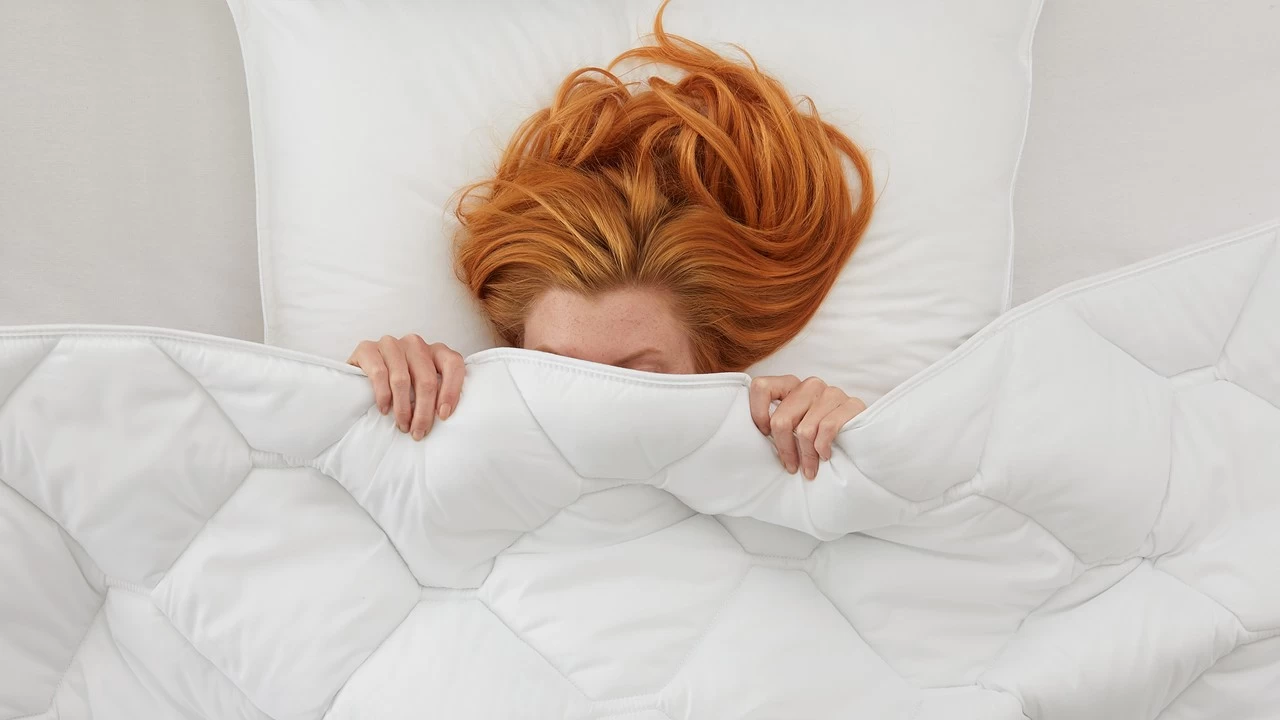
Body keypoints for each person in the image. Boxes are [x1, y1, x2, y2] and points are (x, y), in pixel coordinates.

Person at [348, 3, 874, 481]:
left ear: (711, 372)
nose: (589, 412)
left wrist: (860, 450)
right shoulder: (456, 429)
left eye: (638, 377)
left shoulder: (773, 458)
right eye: (555, 371)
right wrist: (364, 406)